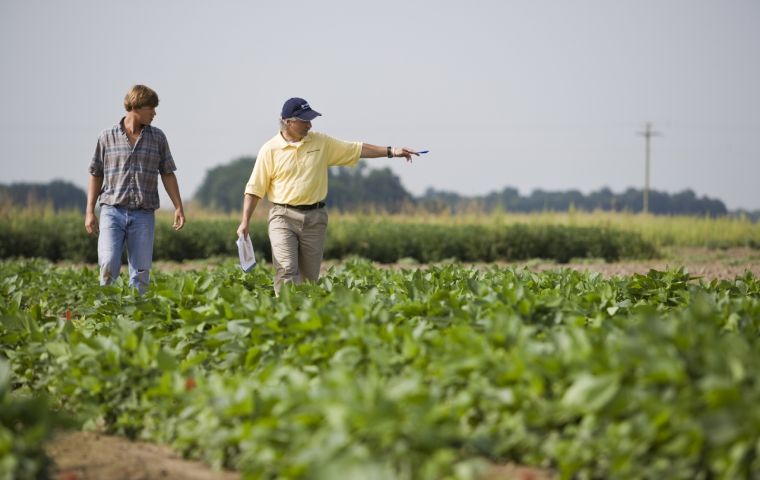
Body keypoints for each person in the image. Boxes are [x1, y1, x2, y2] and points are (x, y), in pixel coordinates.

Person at [237, 97, 420, 294]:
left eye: (310, 119)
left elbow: (356, 149)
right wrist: (245, 221)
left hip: (315, 218)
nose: (310, 124)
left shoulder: (321, 142)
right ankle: (285, 315)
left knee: (310, 278)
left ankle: (305, 316)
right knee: (287, 268)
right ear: (288, 122)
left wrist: (392, 151)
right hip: (283, 217)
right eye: (304, 120)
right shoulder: (270, 150)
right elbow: (255, 189)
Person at [85, 85, 185, 295]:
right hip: (112, 211)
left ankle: (138, 317)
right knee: (108, 263)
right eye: (151, 108)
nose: (155, 113)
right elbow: (96, 173)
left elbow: (167, 173)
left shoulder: (158, 138)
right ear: (137, 106)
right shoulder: (106, 137)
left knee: (140, 272)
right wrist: (89, 212)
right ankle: (106, 313)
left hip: (143, 213)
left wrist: (178, 207)